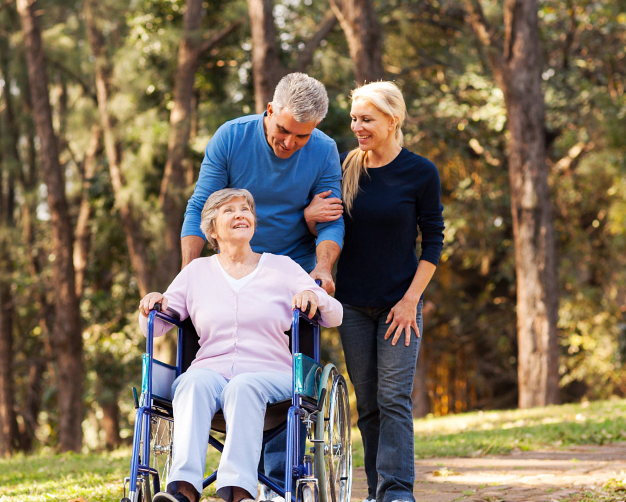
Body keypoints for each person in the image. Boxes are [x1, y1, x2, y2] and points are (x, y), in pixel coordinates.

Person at [142, 189, 344, 502]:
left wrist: (313, 297)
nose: (240, 214)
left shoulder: (282, 267)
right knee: (191, 383)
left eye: (245, 209)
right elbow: (154, 327)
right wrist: (153, 304)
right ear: (211, 230)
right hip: (210, 371)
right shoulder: (195, 273)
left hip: (270, 374)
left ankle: (238, 493)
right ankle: (183, 492)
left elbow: (336, 315)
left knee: (243, 386)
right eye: (229, 211)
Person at [334, 82, 443, 502]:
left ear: (392, 120)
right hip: (352, 307)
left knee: (394, 397)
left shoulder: (420, 172)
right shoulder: (347, 168)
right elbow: (329, 226)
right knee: (369, 405)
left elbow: (433, 240)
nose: (357, 127)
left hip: (401, 303)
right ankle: (378, 491)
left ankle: (398, 492)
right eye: (354, 119)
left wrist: (410, 300)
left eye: (367, 119)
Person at [181, 73, 347, 294]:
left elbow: (331, 221)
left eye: (301, 136)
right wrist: (187, 272)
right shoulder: (230, 137)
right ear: (270, 110)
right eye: (283, 130)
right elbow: (201, 206)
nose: (289, 143)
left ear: (315, 125)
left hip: (295, 277)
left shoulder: (324, 150)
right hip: (233, 272)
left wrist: (323, 269)